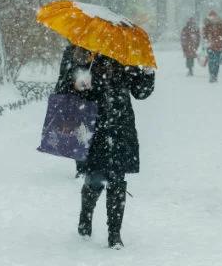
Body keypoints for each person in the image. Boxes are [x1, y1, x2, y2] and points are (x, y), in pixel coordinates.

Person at [55, 44, 155, 249]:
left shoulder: (123, 55)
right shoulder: (80, 53)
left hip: (121, 127)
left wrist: (147, 72)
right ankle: (85, 219)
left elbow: (140, 92)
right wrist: (76, 84)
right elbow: (62, 89)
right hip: (93, 127)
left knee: (117, 180)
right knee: (94, 178)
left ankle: (115, 234)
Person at [203, 10, 222, 83]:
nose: (212, 18)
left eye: (213, 16)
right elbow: (204, 34)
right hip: (211, 46)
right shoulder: (207, 25)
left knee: (215, 61)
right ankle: (212, 75)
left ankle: (214, 75)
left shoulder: (220, 24)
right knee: (211, 61)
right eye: (211, 17)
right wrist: (208, 38)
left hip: (217, 46)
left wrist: (220, 38)